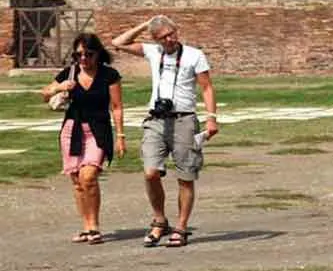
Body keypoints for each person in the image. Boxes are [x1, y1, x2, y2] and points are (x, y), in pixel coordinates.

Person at [111, 15, 219, 248]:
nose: (169, 39)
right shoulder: (152, 51)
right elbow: (117, 42)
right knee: (150, 172)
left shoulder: (194, 55)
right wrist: (145, 24)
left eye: (172, 34)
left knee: (185, 176)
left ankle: (181, 227)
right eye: (163, 37)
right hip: (156, 119)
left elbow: (207, 87)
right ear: (155, 39)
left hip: (184, 119)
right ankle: (159, 220)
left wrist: (211, 118)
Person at [40, 34, 125, 244]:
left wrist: (121, 135)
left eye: (88, 54)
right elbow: (44, 94)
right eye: (79, 54)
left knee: (88, 176)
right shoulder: (69, 74)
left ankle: (94, 225)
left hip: (98, 130)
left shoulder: (109, 75)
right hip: (72, 130)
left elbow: (116, 107)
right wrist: (60, 88)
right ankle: (86, 227)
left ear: (98, 54)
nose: (83, 58)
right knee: (77, 182)